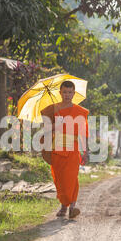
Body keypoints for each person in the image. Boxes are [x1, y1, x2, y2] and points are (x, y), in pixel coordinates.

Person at [41, 81, 89, 219]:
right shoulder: (53, 109)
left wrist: (85, 151)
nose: (67, 95)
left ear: (74, 93)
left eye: (70, 92)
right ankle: (63, 206)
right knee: (59, 179)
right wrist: (57, 124)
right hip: (57, 148)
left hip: (73, 149)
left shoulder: (80, 112)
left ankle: (72, 207)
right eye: (65, 92)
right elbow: (46, 129)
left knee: (72, 178)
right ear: (60, 93)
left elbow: (83, 133)